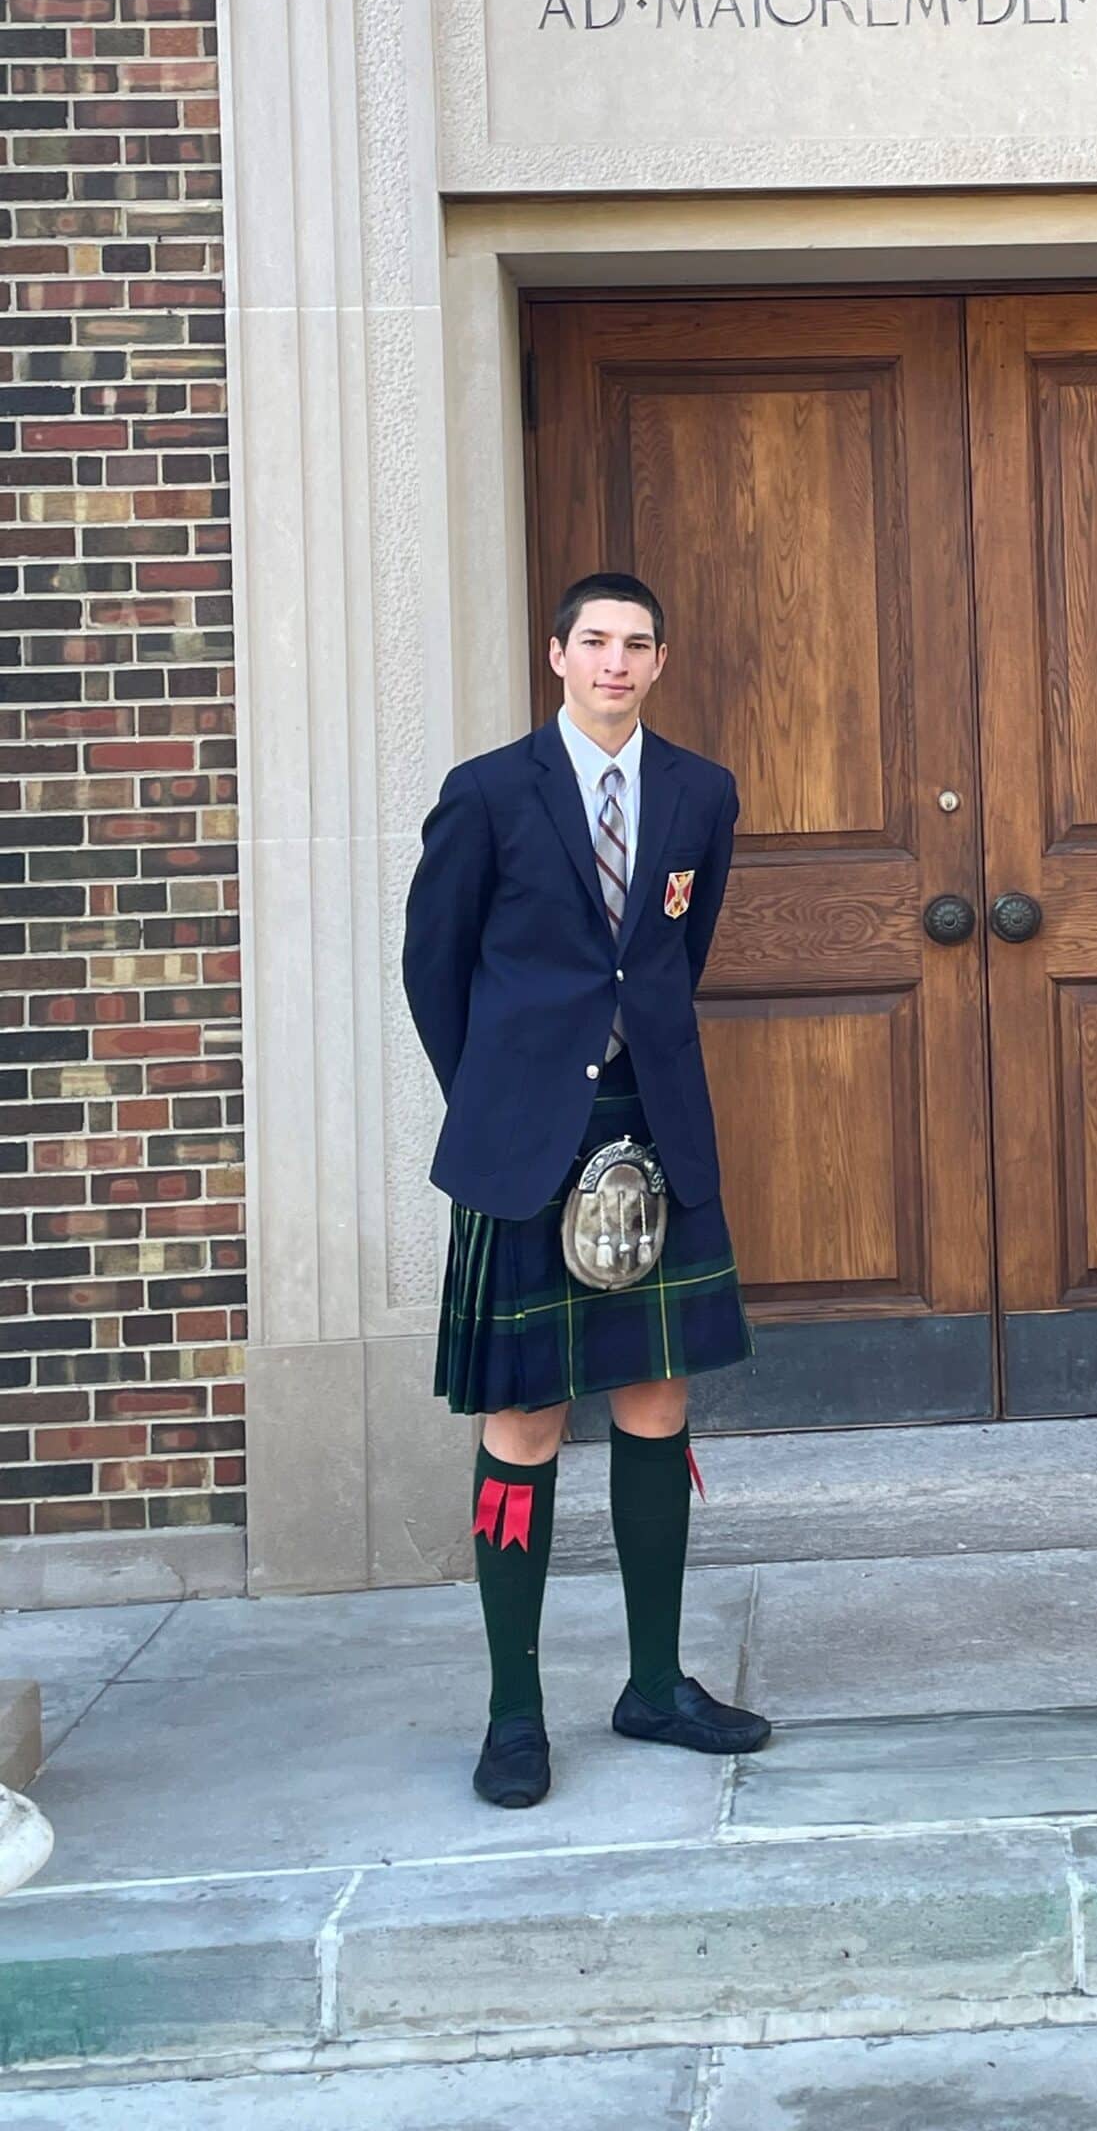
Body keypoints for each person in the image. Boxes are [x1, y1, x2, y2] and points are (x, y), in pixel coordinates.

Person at [403, 571, 770, 1808]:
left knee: (658, 1399)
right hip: (525, 1137)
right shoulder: (489, 792)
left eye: (639, 644)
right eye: (595, 641)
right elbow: (434, 965)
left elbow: (679, 947)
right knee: (526, 1422)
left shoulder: (700, 793)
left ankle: (655, 1684)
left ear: (661, 661)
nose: (616, 662)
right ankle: (516, 1713)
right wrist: (507, 1095)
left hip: (654, 1124)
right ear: (556, 653)